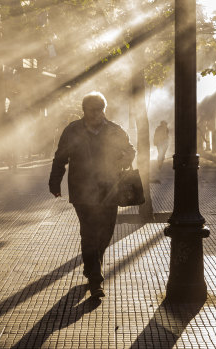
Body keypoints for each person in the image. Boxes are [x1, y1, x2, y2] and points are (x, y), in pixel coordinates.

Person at [49, 91, 135, 298]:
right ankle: (96, 279)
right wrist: (54, 180)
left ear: (104, 110)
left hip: (109, 189)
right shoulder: (72, 130)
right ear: (84, 111)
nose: (97, 114)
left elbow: (130, 150)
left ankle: (92, 265)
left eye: (100, 109)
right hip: (82, 190)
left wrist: (124, 161)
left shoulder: (115, 130)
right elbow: (60, 158)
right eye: (92, 110)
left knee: (105, 233)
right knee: (89, 233)